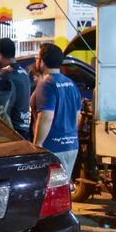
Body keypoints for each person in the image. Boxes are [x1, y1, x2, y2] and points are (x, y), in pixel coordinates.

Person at [32, 43, 82, 175]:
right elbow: (78, 116)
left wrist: (38, 144)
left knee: (51, 191)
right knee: (63, 187)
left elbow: (46, 117)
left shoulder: (46, 84)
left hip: (53, 147)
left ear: (42, 62)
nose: (36, 61)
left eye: (37, 58)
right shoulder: (71, 84)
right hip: (71, 146)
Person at [0, 38, 32, 140]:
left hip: (13, 130)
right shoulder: (23, 72)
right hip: (24, 126)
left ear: (0, 55)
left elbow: (1, 107)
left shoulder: (6, 75)